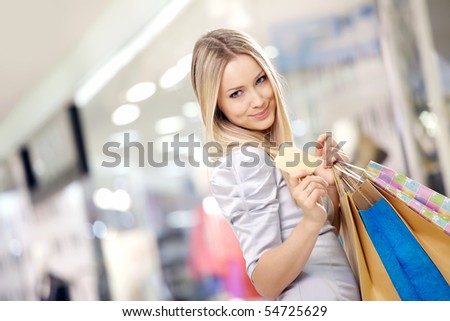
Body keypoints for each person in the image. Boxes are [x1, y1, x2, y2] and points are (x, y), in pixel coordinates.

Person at [190, 28, 361, 301]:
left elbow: (322, 240)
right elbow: (265, 282)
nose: (257, 100)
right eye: (236, 94)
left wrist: (329, 190)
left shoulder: (271, 150)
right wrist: (311, 220)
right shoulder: (245, 162)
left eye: (260, 80)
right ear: (217, 106)